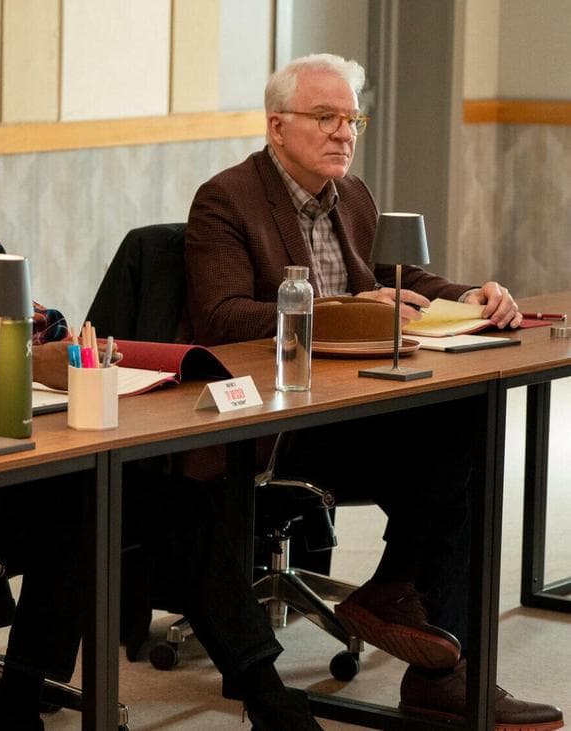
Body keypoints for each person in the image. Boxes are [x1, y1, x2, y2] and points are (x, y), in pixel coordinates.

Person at [0, 82, 319, 731]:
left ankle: (266, 694)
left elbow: (47, 325)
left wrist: (74, 346)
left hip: (0, 466)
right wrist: (6, 358)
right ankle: (17, 706)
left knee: (174, 501)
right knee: (85, 500)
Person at [185, 53, 562, 730]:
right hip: (276, 423)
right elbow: (223, 317)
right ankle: (433, 657)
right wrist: (353, 308)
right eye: (324, 117)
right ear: (277, 126)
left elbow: (398, 273)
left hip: (351, 405)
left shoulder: (350, 194)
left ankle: (413, 618)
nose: (343, 132)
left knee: (467, 416)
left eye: (351, 117)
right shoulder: (226, 198)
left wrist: (467, 293)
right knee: (454, 443)